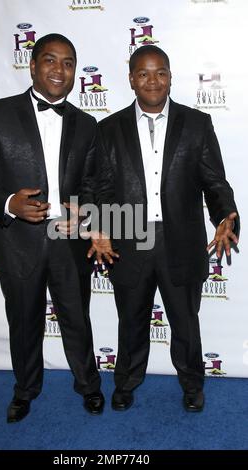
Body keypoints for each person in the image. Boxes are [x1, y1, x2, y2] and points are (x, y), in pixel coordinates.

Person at [88, 45, 239, 412]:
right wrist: (100, 228)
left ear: (170, 77)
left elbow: (214, 182)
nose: (152, 80)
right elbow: (100, 188)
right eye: (143, 73)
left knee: (185, 324)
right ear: (131, 80)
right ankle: (125, 383)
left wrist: (225, 215)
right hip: (129, 241)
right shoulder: (109, 129)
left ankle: (192, 384)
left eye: (160, 73)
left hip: (182, 242)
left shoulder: (197, 124)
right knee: (132, 322)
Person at [0, 33, 104, 422]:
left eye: (68, 62)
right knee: (24, 322)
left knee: (77, 318)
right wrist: (10, 202)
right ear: (32, 65)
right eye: (50, 60)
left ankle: (89, 385)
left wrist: (84, 209)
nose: (59, 69)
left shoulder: (88, 124)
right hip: (18, 242)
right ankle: (25, 390)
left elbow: (93, 181)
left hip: (69, 240)